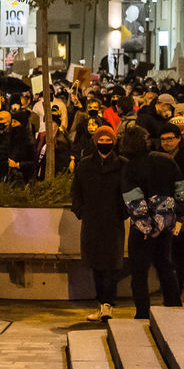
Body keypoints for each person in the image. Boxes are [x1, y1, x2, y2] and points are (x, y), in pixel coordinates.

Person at [119, 124, 184, 318]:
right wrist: (177, 218)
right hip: (166, 225)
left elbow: (134, 202)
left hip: (142, 231)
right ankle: (174, 306)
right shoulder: (165, 161)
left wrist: (148, 228)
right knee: (165, 266)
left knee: (139, 273)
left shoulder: (129, 168)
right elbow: (181, 192)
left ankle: (142, 313)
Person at [71, 125, 127, 322]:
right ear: (95, 142)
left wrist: (123, 212)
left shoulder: (122, 164)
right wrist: (81, 211)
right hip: (92, 221)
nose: (105, 144)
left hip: (113, 221)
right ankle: (101, 303)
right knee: (96, 264)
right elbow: (76, 191)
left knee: (112, 264)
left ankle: (107, 304)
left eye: (108, 141)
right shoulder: (85, 165)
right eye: (101, 141)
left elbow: (130, 191)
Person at [158, 121, 184, 294]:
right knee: (164, 252)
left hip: (181, 214)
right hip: (162, 212)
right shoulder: (158, 157)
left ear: (179, 139)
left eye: (170, 139)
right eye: (163, 139)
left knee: (177, 252)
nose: (166, 142)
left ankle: (177, 287)